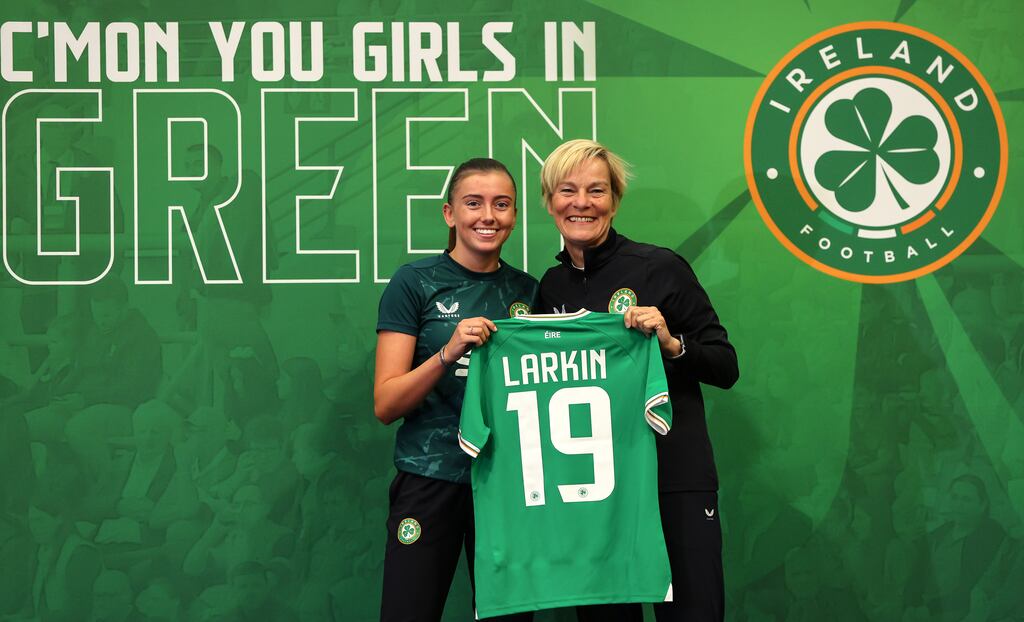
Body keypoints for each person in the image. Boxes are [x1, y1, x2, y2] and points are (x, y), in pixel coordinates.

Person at [537, 139, 739, 622]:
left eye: (596, 191)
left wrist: (672, 344)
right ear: (549, 202)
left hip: (675, 478)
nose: (582, 203)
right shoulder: (551, 287)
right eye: (568, 190)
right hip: (599, 493)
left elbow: (725, 365)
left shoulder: (661, 267)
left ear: (615, 200)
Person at [374, 158, 538, 621]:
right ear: (450, 214)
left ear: (514, 216)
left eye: (501, 204)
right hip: (430, 478)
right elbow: (386, 403)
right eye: (474, 203)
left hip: (506, 486)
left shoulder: (530, 291)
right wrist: (448, 352)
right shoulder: (414, 283)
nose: (488, 215)